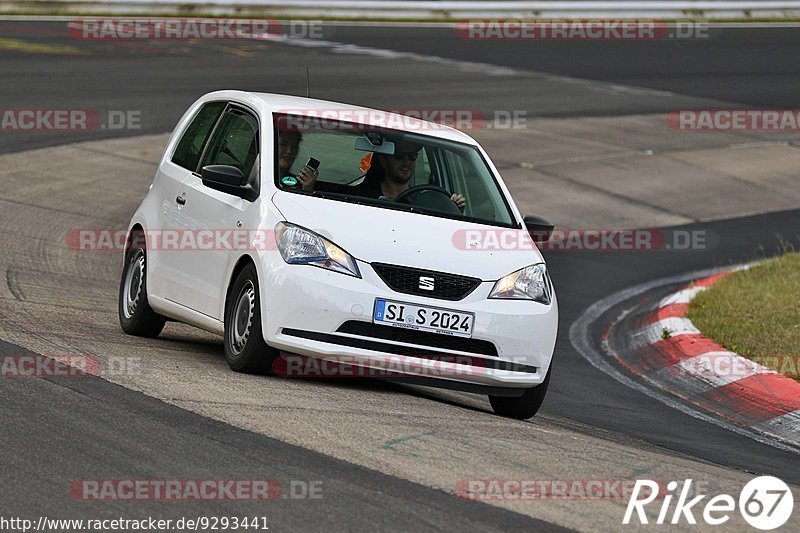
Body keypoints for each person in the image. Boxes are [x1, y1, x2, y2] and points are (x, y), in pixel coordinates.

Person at [358, 141, 466, 211]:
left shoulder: (423, 202)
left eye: (412, 156)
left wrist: (454, 210)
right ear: (383, 161)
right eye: (399, 156)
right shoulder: (361, 197)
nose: (406, 162)